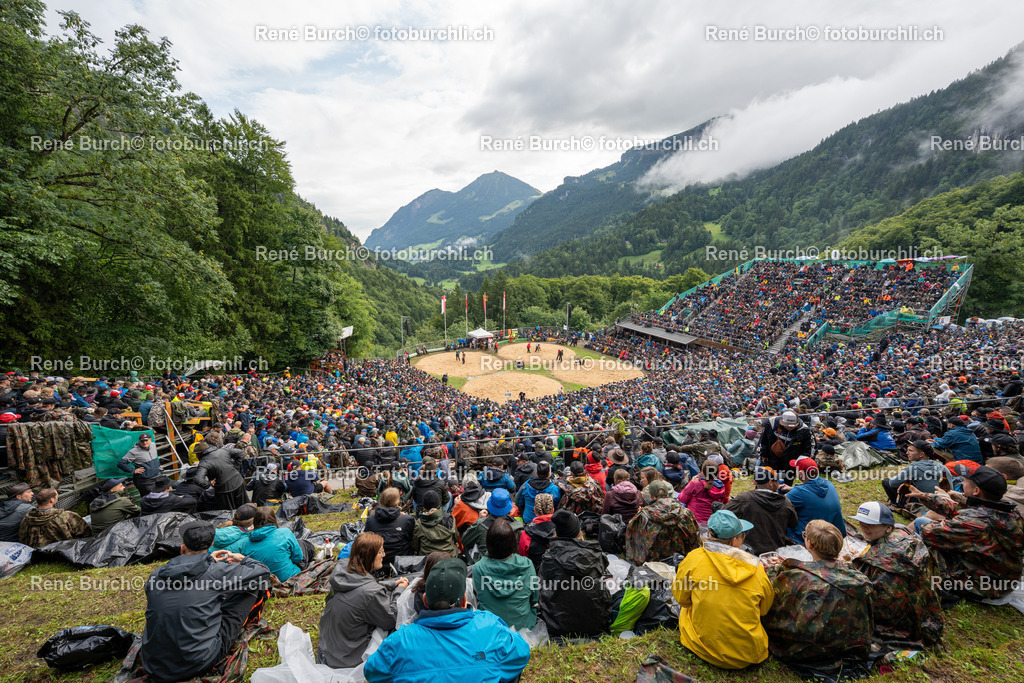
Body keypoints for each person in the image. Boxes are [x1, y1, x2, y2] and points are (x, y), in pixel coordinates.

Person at [140, 521, 272, 682]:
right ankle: (250, 620)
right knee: (253, 583)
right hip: (197, 662)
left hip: (153, 663)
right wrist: (241, 559)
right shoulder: (216, 573)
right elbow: (263, 572)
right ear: (211, 545)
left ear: (183, 548)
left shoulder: (156, 574)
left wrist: (207, 561)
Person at [364, 557, 530, 683]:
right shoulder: (489, 626)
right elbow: (521, 653)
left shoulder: (400, 640)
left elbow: (372, 671)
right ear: (465, 600)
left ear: (426, 601)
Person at [672, 510, 774, 670]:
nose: (742, 539)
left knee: (686, 609)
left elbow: (681, 598)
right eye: (742, 536)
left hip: (701, 647)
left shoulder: (693, 559)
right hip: (747, 655)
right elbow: (764, 610)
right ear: (734, 541)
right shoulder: (757, 570)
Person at [763, 520, 873, 667]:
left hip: (806, 651)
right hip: (849, 647)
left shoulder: (797, 578)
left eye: (805, 536)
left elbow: (774, 608)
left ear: (809, 545)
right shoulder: (857, 576)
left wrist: (775, 570)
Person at [909, 466, 1024, 600]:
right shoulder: (1011, 513)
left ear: (976, 491)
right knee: (921, 521)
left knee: (911, 537)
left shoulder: (975, 523)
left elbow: (929, 532)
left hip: (975, 585)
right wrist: (925, 496)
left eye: (964, 481)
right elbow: (964, 509)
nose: (962, 483)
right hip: (999, 578)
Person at [849, 502, 943, 647]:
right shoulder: (903, 536)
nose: (864, 527)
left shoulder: (880, 562)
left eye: (871, 524)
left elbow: (876, 602)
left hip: (899, 626)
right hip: (924, 616)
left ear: (888, 528)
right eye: (861, 522)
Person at [319, 532, 409, 669]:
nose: (384, 555)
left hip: (328, 651)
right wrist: (400, 590)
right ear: (369, 556)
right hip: (348, 660)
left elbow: (362, 586)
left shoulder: (343, 570)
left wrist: (392, 584)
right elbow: (392, 617)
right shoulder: (370, 593)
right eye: (380, 552)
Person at [538, 510, 610, 638]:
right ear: (578, 532)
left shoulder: (549, 558)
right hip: (595, 622)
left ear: (557, 533)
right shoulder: (596, 554)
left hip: (558, 625)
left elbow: (542, 590)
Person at [473, 518, 540, 630]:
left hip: (490, 628)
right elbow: (534, 599)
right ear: (513, 542)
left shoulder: (478, 568)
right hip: (522, 628)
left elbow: (479, 596)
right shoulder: (527, 564)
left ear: (488, 543)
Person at [724, 466, 799, 555]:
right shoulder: (785, 503)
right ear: (770, 483)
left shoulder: (744, 499)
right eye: (776, 480)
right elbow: (794, 523)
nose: (778, 483)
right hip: (775, 553)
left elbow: (724, 514)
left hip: (749, 552)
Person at [625, 480, 702, 565]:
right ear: (668, 494)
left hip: (654, 566)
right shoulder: (686, 513)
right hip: (682, 562)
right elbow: (695, 539)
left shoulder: (643, 516)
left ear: (651, 496)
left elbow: (633, 542)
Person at [781, 457, 846, 542]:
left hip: (815, 538)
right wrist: (792, 489)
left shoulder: (799, 492)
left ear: (800, 473)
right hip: (835, 532)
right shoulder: (828, 483)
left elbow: (778, 503)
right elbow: (810, 494)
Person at [241, 506, 304, 582]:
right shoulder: (284, 532)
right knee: (303, 545)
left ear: (254, 522)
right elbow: (298, 558)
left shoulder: (246, 543)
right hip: (290, 578)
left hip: (264, 583)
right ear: (274, 520)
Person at [460, 488, 523, 564]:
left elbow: (464, 539)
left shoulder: (480, 524)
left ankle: (470, 563)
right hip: (510, 562)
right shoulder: (517, 525)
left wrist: (479, 519)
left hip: (484, 562)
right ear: (509, 507)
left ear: (490, 504)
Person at [883, 440, 951, 507]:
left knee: (886, 481)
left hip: (923, 505)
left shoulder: (913, 468)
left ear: (921, 454)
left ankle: (899, 504)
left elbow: (892, 483)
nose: (907, 453)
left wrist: (902, 473)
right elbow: (951, 488)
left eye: (911, 451)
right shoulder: (943, 468)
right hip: (945, 504)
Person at [18, 487, 90, 547]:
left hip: (37, 554)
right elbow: (85, 533)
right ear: (52, 500)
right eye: (56, 496)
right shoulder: (65, 516)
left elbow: (22, 539)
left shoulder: (27, 519)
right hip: (65, 551)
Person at [364, 487, 415, 571]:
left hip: (378, 564)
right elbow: (413, 539)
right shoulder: (407, 519)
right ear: (397, 502)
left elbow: (366, 541)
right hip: (402, 563)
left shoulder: (370, 520)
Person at [759, 410, 813, 484]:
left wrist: (801, 462)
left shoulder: (804, 430)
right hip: (772, 456)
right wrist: (764, 453)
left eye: (792, 426)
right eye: (786, 425)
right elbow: (764, 439)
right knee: (769, 478)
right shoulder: (772, 423)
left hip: (791, 460)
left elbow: (807, 448)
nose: (789, 428)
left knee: (787, 480)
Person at [192, 442, 248, 511]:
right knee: (244, 507)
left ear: (199, 453)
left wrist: (209, 483)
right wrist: (234, 467)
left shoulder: (203, 463)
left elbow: (198, 480)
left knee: (228, 513)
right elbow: (241, 453)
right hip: (238, 481)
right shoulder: (223, 450)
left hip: (224, 489)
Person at [677, 460, 726, 526]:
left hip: (694, 520)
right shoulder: (721, 487)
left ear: (702, 471)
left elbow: (682, 499)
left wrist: (691, 482)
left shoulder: (695, 484)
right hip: (711, 521)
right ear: (717, 473)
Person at [412, 490, 459, 557]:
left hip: (428, 561)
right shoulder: (450, 519)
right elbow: (455, 538)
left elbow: (415, 546)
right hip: (449, 558)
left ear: (424, 507)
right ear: (439, 504)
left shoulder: (419, 524)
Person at [518, 493, 556, 570]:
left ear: (535, 510)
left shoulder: (526, 534)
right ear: (553, 510)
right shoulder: (562, 529)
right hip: (559, 573)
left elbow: (524, 559)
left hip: (536, 573)